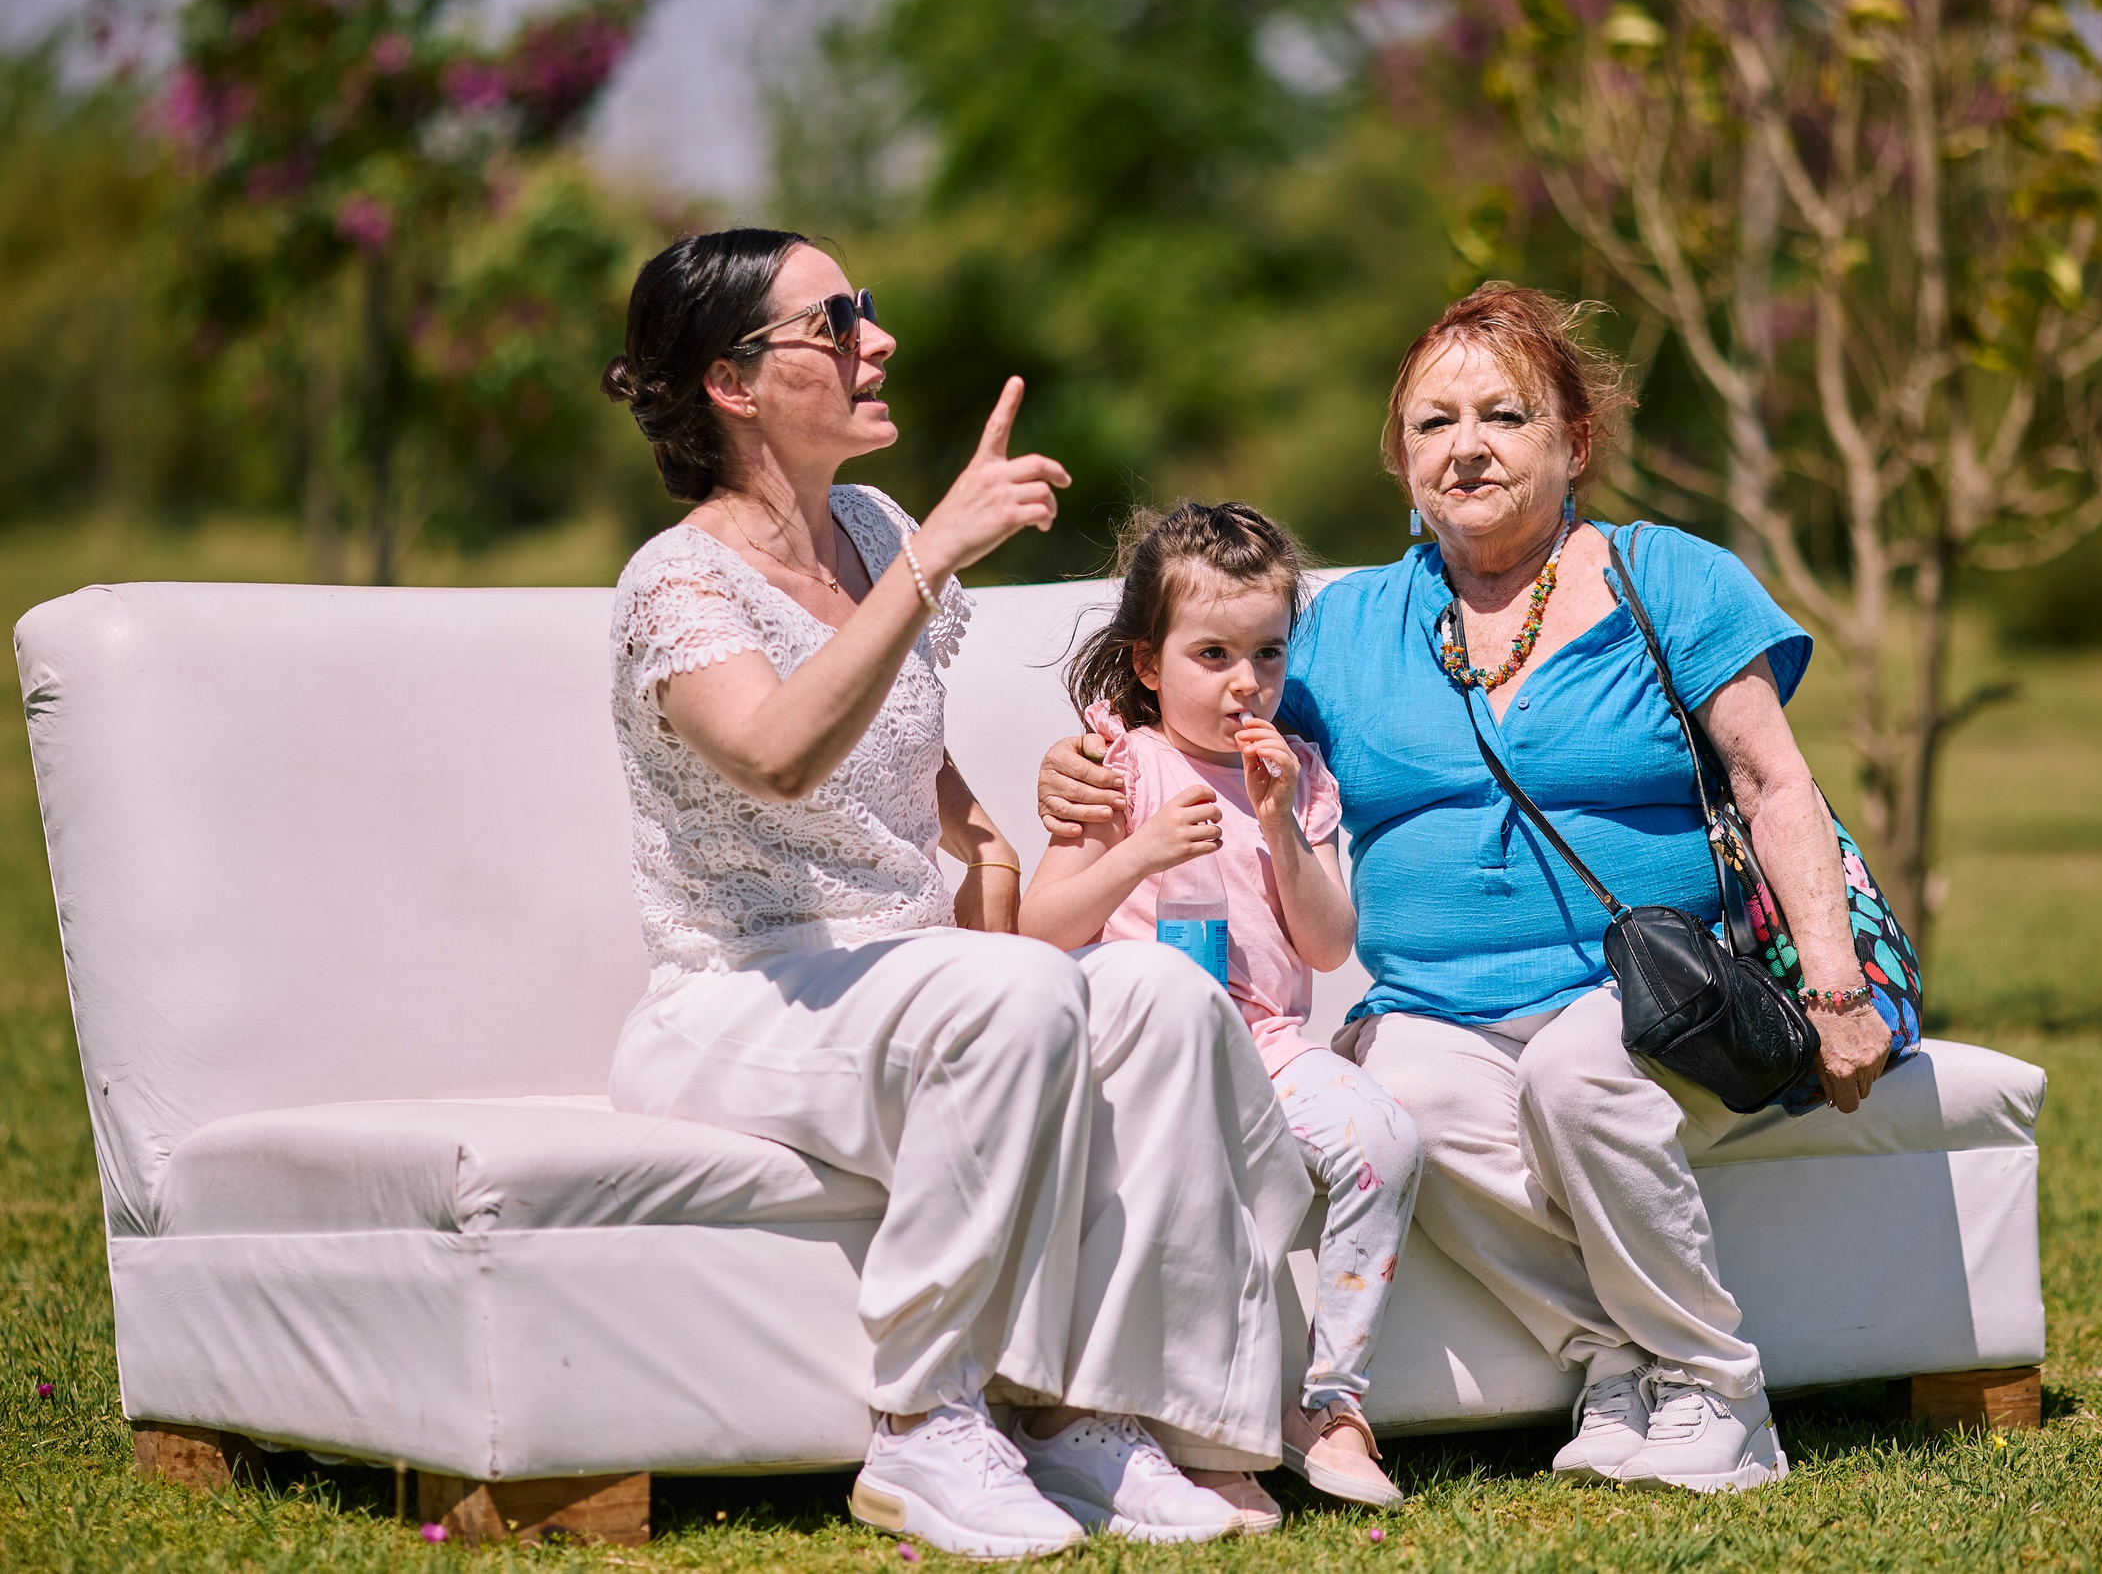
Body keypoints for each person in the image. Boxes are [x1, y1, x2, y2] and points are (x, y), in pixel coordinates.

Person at [1036, 284, 1919, 1496]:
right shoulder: (1344, 625)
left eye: (1502, 415)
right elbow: (1194, 709)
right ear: (1400, 459)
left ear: (1575, 442)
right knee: (1395, 1090)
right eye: (1432, 422)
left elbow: (1775, 784)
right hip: (1435, 1006)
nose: (1465, 447)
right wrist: (1080, 758)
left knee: (1573, 1069)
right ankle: (1610, 1364)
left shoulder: (1671, 579)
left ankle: (1717, 1385)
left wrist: (1836, 984)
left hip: (1646, 998)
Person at [598, 229, 1309, 1559]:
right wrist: (938, 560)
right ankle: (924, 1421)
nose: (880, 341)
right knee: (1019, 994)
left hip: (911, 975)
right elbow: (779, 751)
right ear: (733, 384)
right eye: (836, 323)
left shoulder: (874, 529)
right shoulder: (675, 584)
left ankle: (1086, 1414)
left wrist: (1030, 831)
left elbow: (931, 794)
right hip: (742, 992)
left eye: (865, 310)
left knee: (1155, 992)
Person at [1019, 501, 1419, 1515]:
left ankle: (1331, 1402)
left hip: (1270, 1042)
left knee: (1387, 1140)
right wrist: (1138, 849)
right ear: (1148, 663)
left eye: (1268, 654)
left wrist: (1281, 820)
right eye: (1213, 654)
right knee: (1205, 1174)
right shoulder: (1117, 761)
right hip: (1147, 1049)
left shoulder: (1298, 774)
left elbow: (1328, 945)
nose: (1247, 682)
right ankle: (1194, 1436)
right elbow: (1039, 928)